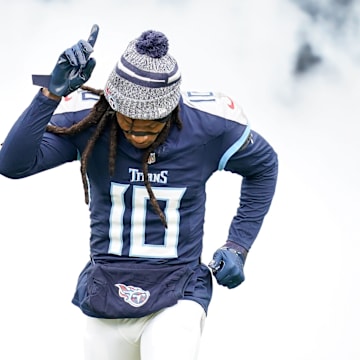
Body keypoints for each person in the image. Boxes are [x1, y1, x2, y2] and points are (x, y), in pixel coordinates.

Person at [0, 24, 278, 360]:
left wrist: (238, 244)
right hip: (106, 288)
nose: (138, 134)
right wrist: (49, 95)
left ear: (172, 111)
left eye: (152, 124)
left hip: (179, 290)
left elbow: (264, 167)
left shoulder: (208, 128)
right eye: (128, 122)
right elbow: (12, 164)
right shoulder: (92, 123)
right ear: (112, 107)